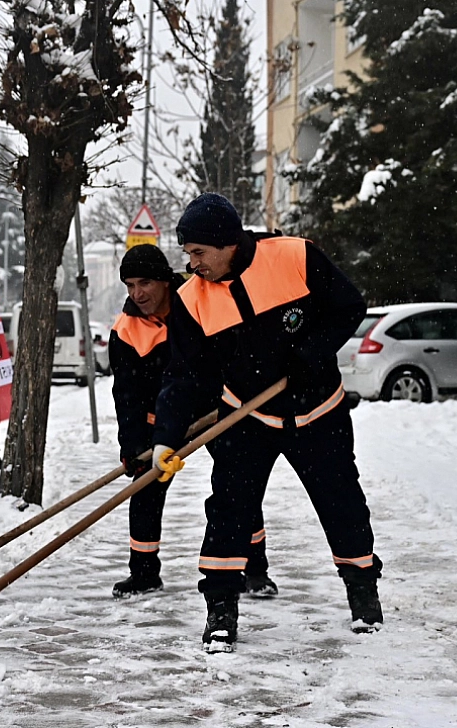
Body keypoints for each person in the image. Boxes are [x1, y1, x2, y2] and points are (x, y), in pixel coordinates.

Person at [151, 192, 383, 653]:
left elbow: (348, 307)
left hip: (319, 410)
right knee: (229, 511)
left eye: (198, 253)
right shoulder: (190, 300)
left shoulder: (295, 256)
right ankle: (220, 610)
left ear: (227, 242)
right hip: (247, 412)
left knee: (342, 503)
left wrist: (310, 354)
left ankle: (363, 595)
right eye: (187, 254)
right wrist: (166, 438)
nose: (192, 264)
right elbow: (184, 375)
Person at [108, 244, 279, 600]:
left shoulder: (198, 300)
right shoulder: (125, 330)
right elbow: (126, 394)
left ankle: (255, 570)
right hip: (163, 422)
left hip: (220, 410)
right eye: (129, 286)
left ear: (165, 282)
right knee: (144, 492)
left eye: (145, 283)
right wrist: (134, 445)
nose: (137, 294)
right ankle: (143, 574)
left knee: (238, 487)